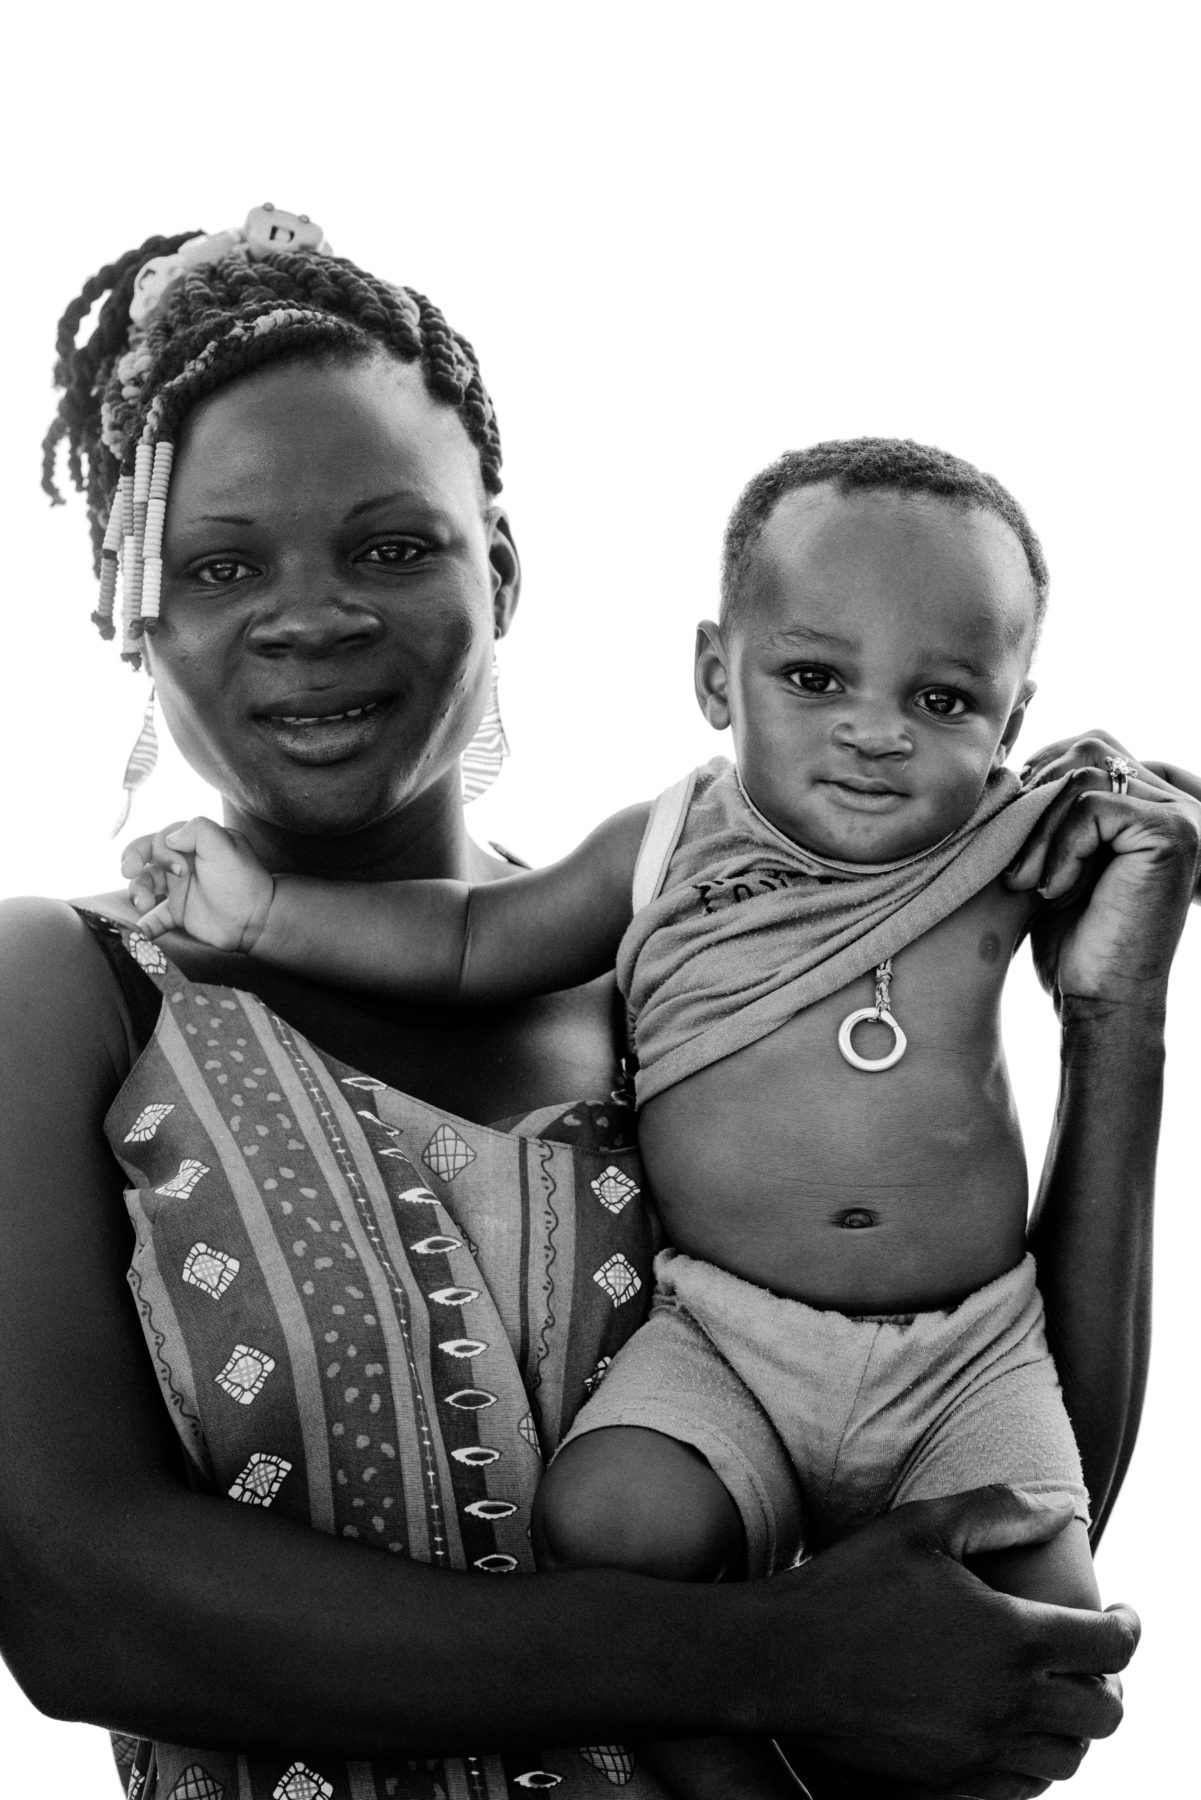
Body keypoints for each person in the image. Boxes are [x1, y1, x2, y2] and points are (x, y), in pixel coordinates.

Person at [0, 208, 1194, 1800]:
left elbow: (991, 1537)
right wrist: (756, 1660)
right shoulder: (61, 990)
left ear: (498, 565)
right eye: (222, 564)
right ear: (125, 603)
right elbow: (81, 1602)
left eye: (391, 543)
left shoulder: (684, 961)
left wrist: (1115, 1029)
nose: (311, 615)